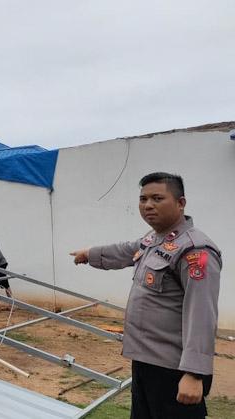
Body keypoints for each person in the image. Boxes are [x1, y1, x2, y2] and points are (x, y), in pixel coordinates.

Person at [70, 172, 221, 419]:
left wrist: (195, 374)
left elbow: (202, 314)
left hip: (174, 369)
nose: (148, 205)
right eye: (143, 199)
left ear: (180, 203)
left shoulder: (195, 250)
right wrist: (90, 253)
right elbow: (125, 251)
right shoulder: (154, 239)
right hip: (145, 361)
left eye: (157, 198)